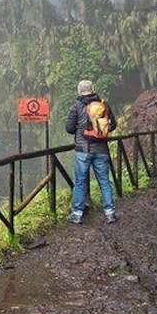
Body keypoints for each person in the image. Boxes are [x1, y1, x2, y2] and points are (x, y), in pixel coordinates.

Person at [64, 79, 118, 224]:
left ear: (79, 91)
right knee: (104, 182)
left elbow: (69, 128)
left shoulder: (77, 106)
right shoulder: (103, 105)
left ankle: (77, 214)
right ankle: (110, 213)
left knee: (80, 182)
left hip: (83, 150)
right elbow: (113, 124)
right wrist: (100, 133)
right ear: (93, 89)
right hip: (101, 149)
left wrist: (82, 129)